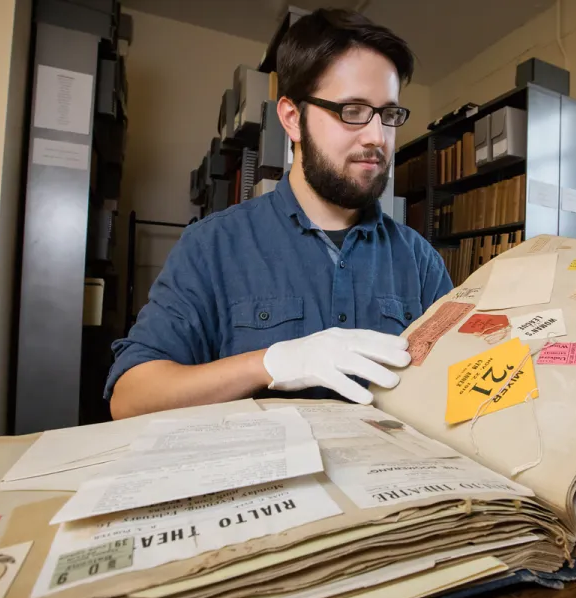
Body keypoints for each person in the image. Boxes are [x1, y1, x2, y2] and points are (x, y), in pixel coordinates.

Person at [106, 8, 453, 419]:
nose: (377, 137)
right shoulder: (213, 246)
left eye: (389, 115)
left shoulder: (420, 260)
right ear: (292, 118)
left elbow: (456, 381)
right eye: (352, 111)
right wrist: (268, 364)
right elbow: (130, 397)